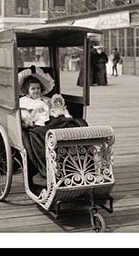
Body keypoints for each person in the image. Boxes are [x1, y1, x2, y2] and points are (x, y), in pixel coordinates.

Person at [18, 66, 87, 195]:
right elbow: (24, 117)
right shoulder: (23, 102)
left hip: (48, 121)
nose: (36, 91)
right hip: (35, 125)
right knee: (40, 135)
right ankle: (50, 170)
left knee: (70, 124)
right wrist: (28, 121)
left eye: (38, 88)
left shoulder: (46, 100)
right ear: (27, 90)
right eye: (33, 89)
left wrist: (60, 113)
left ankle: (73, 164)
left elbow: (53, 110)